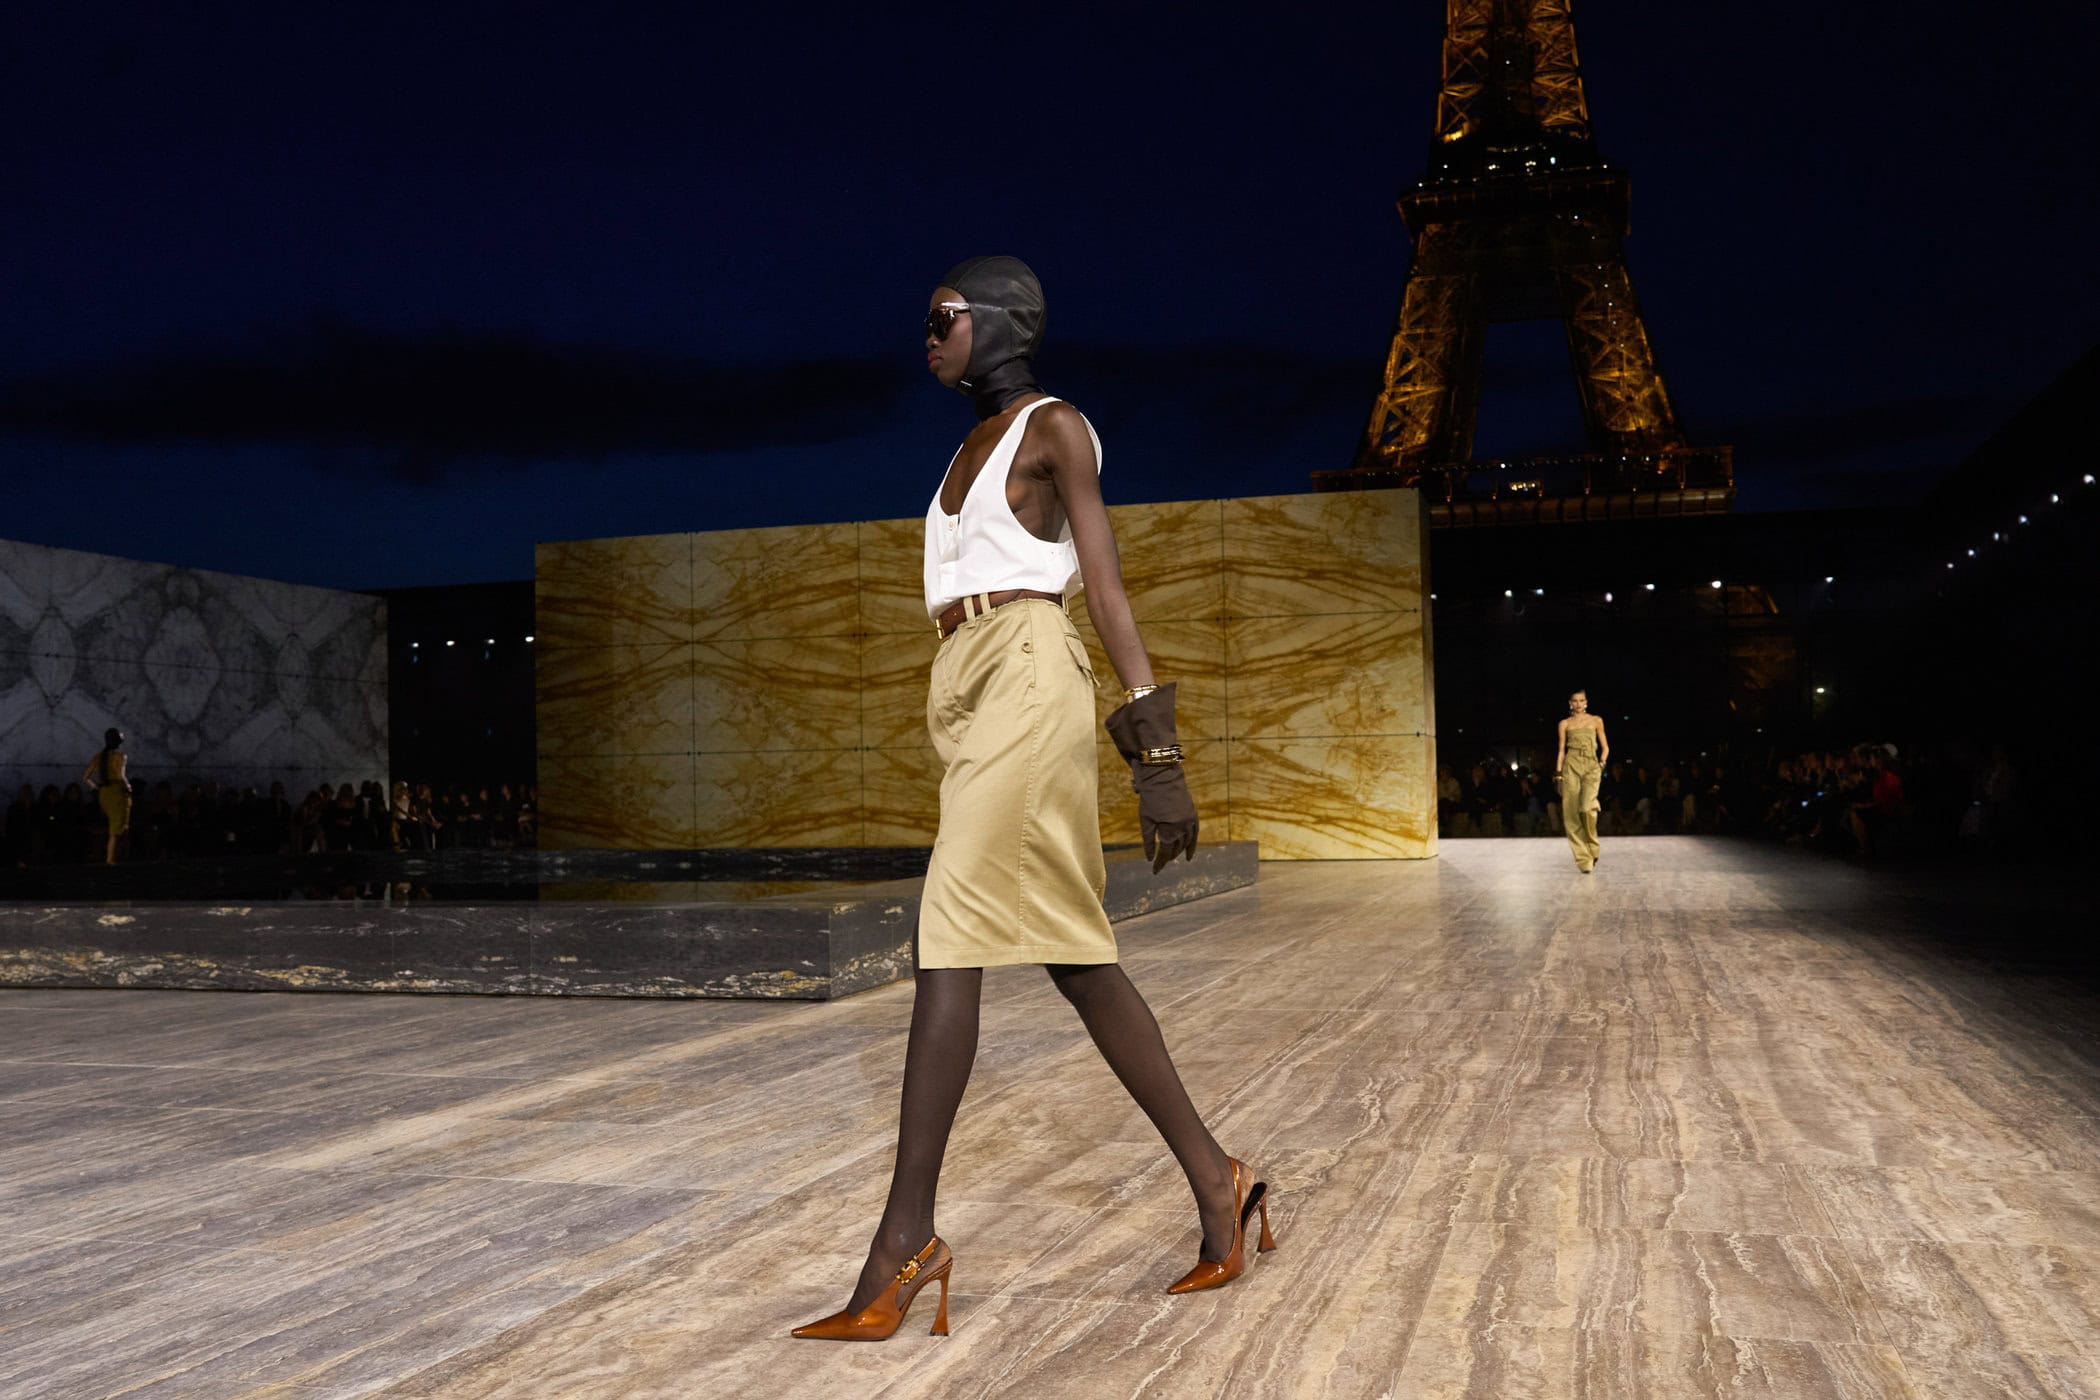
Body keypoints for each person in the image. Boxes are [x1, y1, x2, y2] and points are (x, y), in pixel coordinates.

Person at [793, 257, 1275, 1344]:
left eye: (943, 317)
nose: (927, 334)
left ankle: (901, 1244)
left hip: (1025, 668)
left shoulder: (1054, 427)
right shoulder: (962, 449)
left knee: (947, 934)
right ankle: (1220, 1179)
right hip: (965, 681)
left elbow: (1103, 582)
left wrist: (1156, 750)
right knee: (1074, 953)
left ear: (1003, 322)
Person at [1554, 690, 1608, 872]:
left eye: (1581, 700)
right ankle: (1583, 859)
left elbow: (1605, 747)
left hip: (1591, 765)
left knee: (1587, 808)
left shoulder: (1596, 720)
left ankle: (1593, 846)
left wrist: (1601, 764)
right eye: (1575, 701)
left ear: (1586, 702)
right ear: (1570, 703)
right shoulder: (1564, 724)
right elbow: (1561, 750)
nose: (1578, 704)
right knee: (1570, 813)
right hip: (1571, 765)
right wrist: (1558, 775)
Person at [80, 728, 132, 865]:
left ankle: (112, 858)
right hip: (117, 792)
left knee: (116, 828)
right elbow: (120, 776)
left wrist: (96, 789)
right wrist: (128, 788)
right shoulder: (120, 756)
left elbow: (85, 778)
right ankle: (111, 859)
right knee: (117, 829)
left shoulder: (98, 757)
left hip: (104, 793)